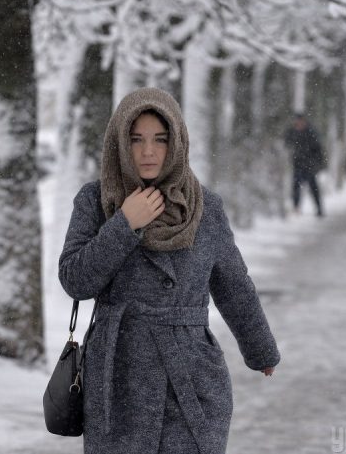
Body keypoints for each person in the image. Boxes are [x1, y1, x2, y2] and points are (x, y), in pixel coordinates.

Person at [58, 88, 280, 454]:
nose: (148, 151)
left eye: (160, 139)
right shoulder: (95, 201)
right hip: (118, 379)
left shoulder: (205, 207)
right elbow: (75, 280)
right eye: (136, 139)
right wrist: (124, 224)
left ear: (176, 142)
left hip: (190, 377)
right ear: (120, 142)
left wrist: (261, 350)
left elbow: (233, 285)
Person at [284, 114, 325, 217]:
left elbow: (318, 148)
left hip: (309, 165)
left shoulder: (311, 132)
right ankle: (296, 207)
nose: (299, 124)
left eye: (300, 121)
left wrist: (318, 163)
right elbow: (286, 142)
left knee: (313, 187)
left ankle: (319, 208)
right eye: (297, 122)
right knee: (296, 186)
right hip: (297, 164)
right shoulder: (292, 132)